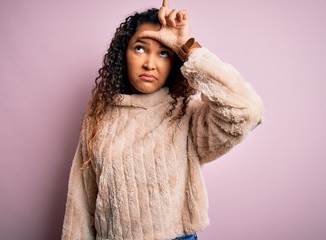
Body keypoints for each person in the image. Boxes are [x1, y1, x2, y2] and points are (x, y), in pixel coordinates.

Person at [61, 0, 264, 239]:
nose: (150, 63)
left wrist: (187, 48)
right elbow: (81, 201)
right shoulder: (100, 115)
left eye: (164, 53)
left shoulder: (185, 113)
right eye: (140, 48)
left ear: (174, 63)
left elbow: (247, 111)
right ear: (123, 54)